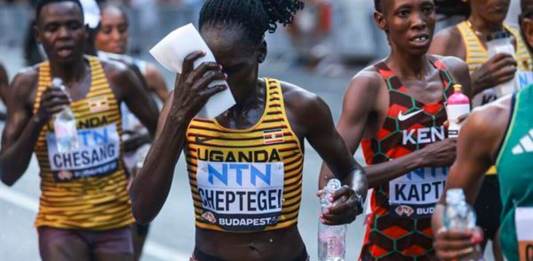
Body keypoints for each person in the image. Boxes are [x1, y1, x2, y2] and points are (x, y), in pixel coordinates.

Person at [129, 0, 368, 260]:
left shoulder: (300, 107)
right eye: (213, 70)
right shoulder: (183, 108)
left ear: (261, 52)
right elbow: (142, 209)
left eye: (234, 70)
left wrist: (353, 198)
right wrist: (178, 118)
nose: (223, 82)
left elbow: (350, 170)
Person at [0, 0, 159, 260]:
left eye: (72, 26)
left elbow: (162, 131)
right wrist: (39, 118)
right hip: (60, 224)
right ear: (38, 35)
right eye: (52, 28)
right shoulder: (27, 85)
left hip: (115, 221)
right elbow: (7, 173)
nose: (63, 35)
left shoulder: (117, 76)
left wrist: (140, 165)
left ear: (85, 31)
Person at [318, 0, 471, 259]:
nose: (419, 21)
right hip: (390, 247)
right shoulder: (371, 85)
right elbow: (330, 179)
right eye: (404, 13)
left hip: (451, 245)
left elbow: (474, 154)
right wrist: (423, 157)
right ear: (381, 21)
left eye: (426, 9)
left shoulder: (455, 73)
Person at [429, 1, 533, 257]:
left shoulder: (517, 38)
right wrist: (479, 81)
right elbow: (427, 111)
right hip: (485, 163)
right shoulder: (451, 41)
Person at [94, 3, 169, 260]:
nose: (117, 37)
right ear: (92, 32)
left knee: (132, 241)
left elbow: (174, 118)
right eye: (107, 30)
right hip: (100, 165)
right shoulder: (84, 73)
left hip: (138, 163)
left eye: (122, 29)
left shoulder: (145, 72)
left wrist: (147, 140)